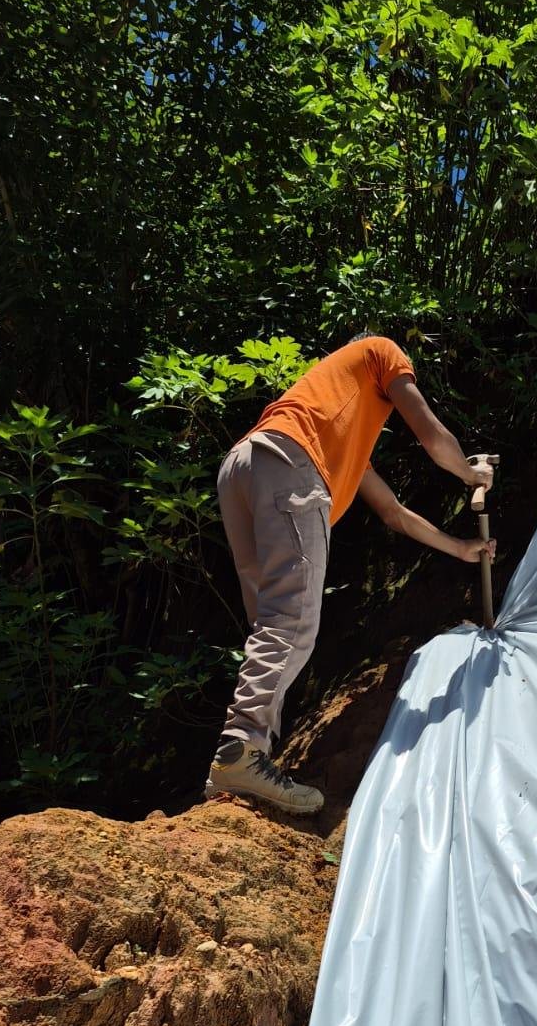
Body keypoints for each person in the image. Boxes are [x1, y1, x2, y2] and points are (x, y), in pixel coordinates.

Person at [204, 334, 497, 814]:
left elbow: (393, 512)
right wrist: (470, 473)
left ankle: (244, 763)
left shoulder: (330, 426)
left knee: (270, 626)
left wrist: (460, 549)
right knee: (290, 622)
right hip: (286, 466)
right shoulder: (381, 351)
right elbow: (430, 434)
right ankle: (241, 751)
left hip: (243, 466)